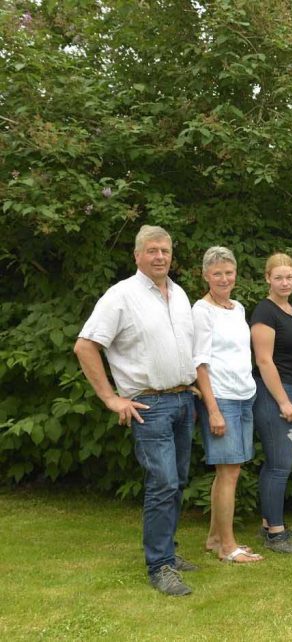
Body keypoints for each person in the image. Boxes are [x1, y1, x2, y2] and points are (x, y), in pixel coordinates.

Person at [74, 225, 198, 596]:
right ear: (137, 255)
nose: (160, 256)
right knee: (162, 483)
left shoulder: (178, 293)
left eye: (165, 250)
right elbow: (85, 346)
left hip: (182, 400)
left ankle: (168, 553)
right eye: (152, 250)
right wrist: (112, 398)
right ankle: (159, 566)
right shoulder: (121, 296)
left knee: (176, 482)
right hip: (150, 405)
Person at [193, 246, 262, 564]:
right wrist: (213, 409)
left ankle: (214, 538)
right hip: (220, 398)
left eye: (229, 272)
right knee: (229, 473)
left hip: (244, 395)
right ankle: (228, 547)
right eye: (217, 273)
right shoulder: (201, 311)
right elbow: (200, 364)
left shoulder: (238, 309)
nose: (224, 278)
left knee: (229, 472)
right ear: (206, 275)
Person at [251, 253, 292, 554]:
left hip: (291, 391)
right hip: (273, 393)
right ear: (267, 279)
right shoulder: (265, 311)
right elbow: (264, 360)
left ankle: (269, 523)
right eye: (278, 277)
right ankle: (276, 534)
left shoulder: (291, 309)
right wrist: (285, 401)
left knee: (276, 463)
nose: (285, 282)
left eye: (289, 277)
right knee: (280, 465)